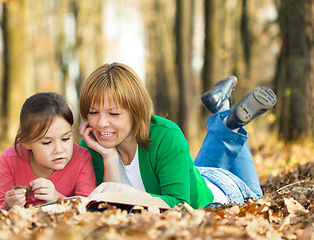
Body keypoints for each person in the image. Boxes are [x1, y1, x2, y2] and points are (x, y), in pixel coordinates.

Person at [78, 62, 277, 209]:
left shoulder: (165, 136)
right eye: (93, 113)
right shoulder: (92, 144)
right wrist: (109, 157)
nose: (101, 123)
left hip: (222, 193)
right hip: (193, 175)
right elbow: (111, 209)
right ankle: (224, 114)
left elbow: (180, 206)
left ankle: (230, 121)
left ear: (135, 111)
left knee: (257, 202)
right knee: (195, 171)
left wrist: (130, 194)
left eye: (114, 113)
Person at [0, 92, 96, 210]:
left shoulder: (82, 158)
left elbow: (88, 208)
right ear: (26, 142)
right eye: (47, 143)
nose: (59, 150)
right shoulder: (10, 159)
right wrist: (8, 205)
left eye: (65, 138)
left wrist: (57, 199)